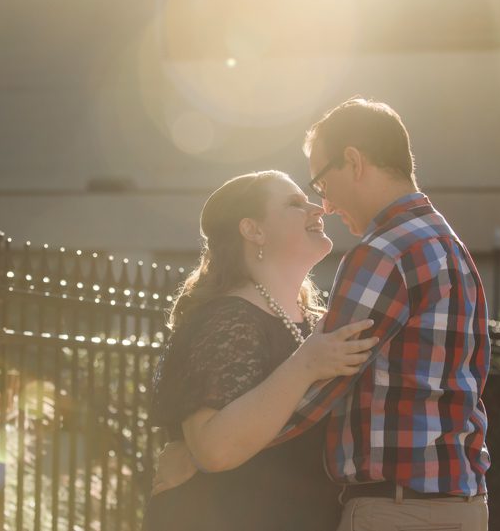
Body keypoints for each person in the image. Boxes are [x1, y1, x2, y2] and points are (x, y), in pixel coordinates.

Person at [153, 98, 492, 531]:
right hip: (459, 501)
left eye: (320, 184)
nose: (324, 206)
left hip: (396, 509)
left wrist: (205, 453)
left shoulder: (383, 252)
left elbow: (320, 393)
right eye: (303, 200)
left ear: (352, 162)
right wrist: (213, 445)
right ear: (250, 229)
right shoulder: (449, 244)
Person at [143, 170, 378, 531]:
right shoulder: (225, 319)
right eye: (294, 204)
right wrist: (306, 366)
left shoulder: (319, 323)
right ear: (253, 230)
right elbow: (215, 448)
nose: (318, 209)